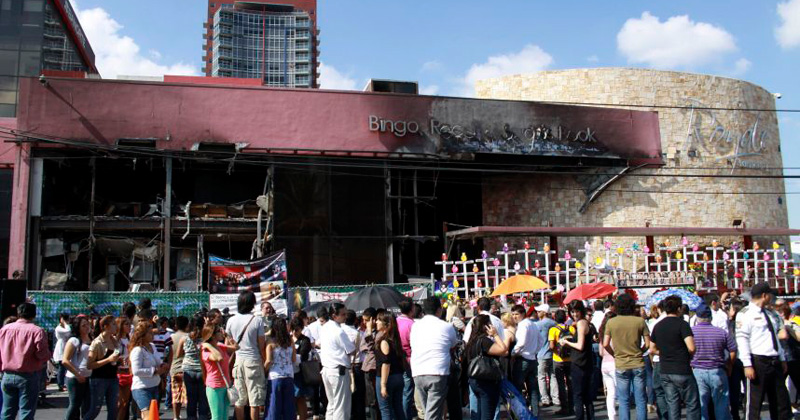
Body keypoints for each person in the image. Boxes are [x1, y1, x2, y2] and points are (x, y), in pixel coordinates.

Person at [735, 282, 792, 420]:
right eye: (770, 295)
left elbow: (776, 337)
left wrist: (782, 358)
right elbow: (742, 339)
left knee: (781, 402)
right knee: (754, 403)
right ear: (764, 295)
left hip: (774, 360)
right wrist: (747, 364)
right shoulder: (746, 314)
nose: (772, 298)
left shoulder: (771, 314)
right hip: (758, 360)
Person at [650, 296, 700, 420]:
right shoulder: (682, 325)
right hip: (682, 368)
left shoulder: (658, 326)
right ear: (678, 309)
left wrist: (665, 353)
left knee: (672, 403)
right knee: (691, 403)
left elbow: (652, 349)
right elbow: (691, 347)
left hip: (665, 369)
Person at [603, 293, 651, 420]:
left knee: (624, 400)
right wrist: (640, 351)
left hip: (621, 363)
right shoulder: (640, 321)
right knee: (641, 399)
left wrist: (615, 354)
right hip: (638, 362)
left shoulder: (611, 322)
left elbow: (605, 343)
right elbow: (648, 343)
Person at [410, 297, 458, 419]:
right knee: (432, 414)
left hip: (418, 372)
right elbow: (453, 344)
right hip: (437, 372)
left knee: (428, 412)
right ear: (439, 310)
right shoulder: (446, 326)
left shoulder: (415, 326)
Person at [224, 291, 267, 420]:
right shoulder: (257, 320)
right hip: (253, 361)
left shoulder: (231, 320)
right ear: (252, 303)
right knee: (255, 401)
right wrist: (265, 362)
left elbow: (228, 344)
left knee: (240, 400)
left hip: (238, 362)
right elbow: (261, 345)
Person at [691, 303, 737, 420]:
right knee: (721, 404)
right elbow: (733, 350)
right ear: (711, 317)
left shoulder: (691, 333)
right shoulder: (721, 332)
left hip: (698, 371)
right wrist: (729, 365)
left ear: (697, 318)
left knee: (701, 404)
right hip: (718, 370)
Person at [465, 314, 508, 420]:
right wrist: (495, 335)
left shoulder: (472, 340)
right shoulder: (484, 341)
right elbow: (503, 350)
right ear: (486, 326)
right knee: (487, 414)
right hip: (486, 381)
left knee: (478, 412)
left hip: (475, 379)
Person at [320, 303, 356, 419]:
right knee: (341, 406)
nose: (346, 316)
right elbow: (351, 350)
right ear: (334, 316)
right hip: (338, 371)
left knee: (332, 405)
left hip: (327, 370)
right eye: (343, 314)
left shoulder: (324, 327)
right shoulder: (338, 331)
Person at [560, 300, 595, 420]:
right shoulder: (585, 323)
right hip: (586, 362)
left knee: (578, 395)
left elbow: (580, 345)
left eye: (577, 311)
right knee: (586, 395)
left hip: (579, 363)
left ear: (581, 311)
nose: (574, 314)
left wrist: (566, 342)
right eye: (572, 312)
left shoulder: (581, 323)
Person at [130, 322, 169, 420]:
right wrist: (154, 371)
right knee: (148, 415)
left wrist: (162, 365)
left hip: (155, 386)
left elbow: (157, 360)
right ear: (142, 335)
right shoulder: (138, 350)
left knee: (154, 415)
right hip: (142, 388)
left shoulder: (152, 346)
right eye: (149, 333)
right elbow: (136, 371)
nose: (152, 335)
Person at [85, 315, 121, 420]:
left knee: (114, 409)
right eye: (113, 324)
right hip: (99, 379)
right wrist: (108, 360)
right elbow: (89, 364)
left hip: (113, 378)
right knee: (95, 409)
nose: (116, 327)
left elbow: (114, 359)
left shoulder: (114, 340)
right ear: (105, 326)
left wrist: (118, 361)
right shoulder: (97, 343)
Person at [175, 315, 210, 420]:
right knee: (203, 397)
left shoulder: (184, 338)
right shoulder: (205, 339)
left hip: (188, 370)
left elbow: (178, 355)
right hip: (202, 370)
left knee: (191, 398)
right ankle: (203, 417)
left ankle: (191, 417)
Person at [510, 304, 541, 417]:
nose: (514, 316)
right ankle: (535, 414)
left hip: (522, 359)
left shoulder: (523, 325)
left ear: (523, 314)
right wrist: (534, 351)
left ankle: (520, 415)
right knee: (533, 390)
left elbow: (521, 342)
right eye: (513, 314)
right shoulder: (533, 324)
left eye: (516, 314)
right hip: (532, 359)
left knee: (517, 389)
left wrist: (513, 353)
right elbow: (541, 340)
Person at [200, 323, 237, 420]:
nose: (221, 333)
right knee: (217, 417)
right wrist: (208, 345)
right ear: (212, 335)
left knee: (225, 417)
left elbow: (236, 347)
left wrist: (227, 335)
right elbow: (218, 357)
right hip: (214, 387)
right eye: (219, 331)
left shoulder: (220, 345)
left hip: (226, 385)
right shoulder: (206, 351)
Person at [374, 312, 406, 420]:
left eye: (379, 320)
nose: (376, 322)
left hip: (387, 378)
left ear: (386, 324)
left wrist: (383, 385)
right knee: (398, 407)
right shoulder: (395, 340)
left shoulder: (384, 341)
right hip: (398, 376)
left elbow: (386, 363)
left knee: (385, 409)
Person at [264, 317, 296, 420]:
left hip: (275, 376)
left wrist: (264, 370)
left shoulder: (270, 342)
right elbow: (294, 359)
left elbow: (268, 360)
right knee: (289, 406)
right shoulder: (290, 340)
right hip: (289, 375)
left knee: (274, 406)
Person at [63, 316, 93, 420]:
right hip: (75, 378)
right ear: (77, 327)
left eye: (88, 324)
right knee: (75, 405)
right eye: (83, 325)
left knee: (88, 406)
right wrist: (77, 374)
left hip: (89, 376)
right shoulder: (74, 340)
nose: (87, 327)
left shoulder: (92, 339)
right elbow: (65, 360)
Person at [549, 309, 574, 415]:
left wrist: (556, 350)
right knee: (570, 383)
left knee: (561, 384)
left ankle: (564, 407)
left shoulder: (553, 330)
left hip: (558, 359)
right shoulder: (571, 328)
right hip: (570, 359)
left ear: (555, 318)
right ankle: (572, 407)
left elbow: (551, 346)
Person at [342, 310, 366, 420]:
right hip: (357, 365)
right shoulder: (359, 333)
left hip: (345, 365)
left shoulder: (340, 331)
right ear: (355, 320)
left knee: (347, 394)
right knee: (359, 395)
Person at [535, 304, 558, 408]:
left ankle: (545, 399)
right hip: (553, 353)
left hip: (541, 354)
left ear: (544, 312)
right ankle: (556, 398)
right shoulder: (554, 323)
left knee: (541, 377)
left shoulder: (538, 324)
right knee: (553, 376)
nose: (537, 313)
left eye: (539, 311)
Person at [396, 300, 416, 420]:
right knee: (407, 392)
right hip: (409, 360)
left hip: (397, 359)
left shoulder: (395, 321)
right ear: (411, 309)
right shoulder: (412, 324)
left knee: (401, 392)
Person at [290, 317, 313, 420]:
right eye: (293, 329)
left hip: (300, 372)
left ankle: (303, 417)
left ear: (301, 328)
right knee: (292, 399)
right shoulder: (288, 338)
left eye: (297, 330)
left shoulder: (305, 340)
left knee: (300, 397)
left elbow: (303, 356)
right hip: (289, 372)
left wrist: (293, 357)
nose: (295, 332)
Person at [359, 307, 379, 420]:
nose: (364, 322)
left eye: (366, 320)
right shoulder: (367, 331)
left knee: (375, 398)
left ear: (373, 320)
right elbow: (363, 347)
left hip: (375, 366)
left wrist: (370, 331)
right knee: (371, 398)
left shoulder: (378, 332)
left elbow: (372, 348)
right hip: (367, 366)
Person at [598, 312, 618, 420]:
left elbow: (601, 352)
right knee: (621, 392)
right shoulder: (614, 333)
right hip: (614, 363)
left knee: (610, 394)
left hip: (604, 364)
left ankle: (611, 416)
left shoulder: (602, 334)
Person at [169, 316, 189, 420]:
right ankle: (190, 416)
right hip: (187, 369)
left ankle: (176, 417)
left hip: (174, 369)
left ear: (176, 325)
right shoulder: (188, 337)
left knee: (175, 395)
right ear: (187, 325)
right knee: (188, 396)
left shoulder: (171, 337)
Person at [53, 313, 71, 392]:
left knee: (66, 367)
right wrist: (65, 323)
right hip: (61, 347)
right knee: (62, 367)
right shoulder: (58, 328)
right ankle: (60, 384)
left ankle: (64, 383)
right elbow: (68, 330)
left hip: (66, 346)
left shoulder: (65, 327)